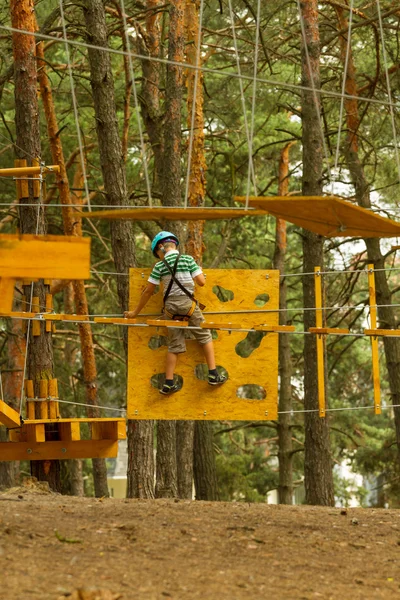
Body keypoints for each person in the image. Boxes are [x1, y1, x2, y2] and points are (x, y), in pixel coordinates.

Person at [124, 231, 227, 395]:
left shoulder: (159, 266)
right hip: (189, 306)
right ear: (174, 245)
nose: (159, 257)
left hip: (170, 309)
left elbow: (148, 291)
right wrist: (199, 270)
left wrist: (135, 312)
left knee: (174, 346)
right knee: (205, 336)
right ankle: (213, 374)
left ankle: (169, 383)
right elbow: (201, 282)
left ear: (160, 247)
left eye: (158, 254)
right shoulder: (187, 260)